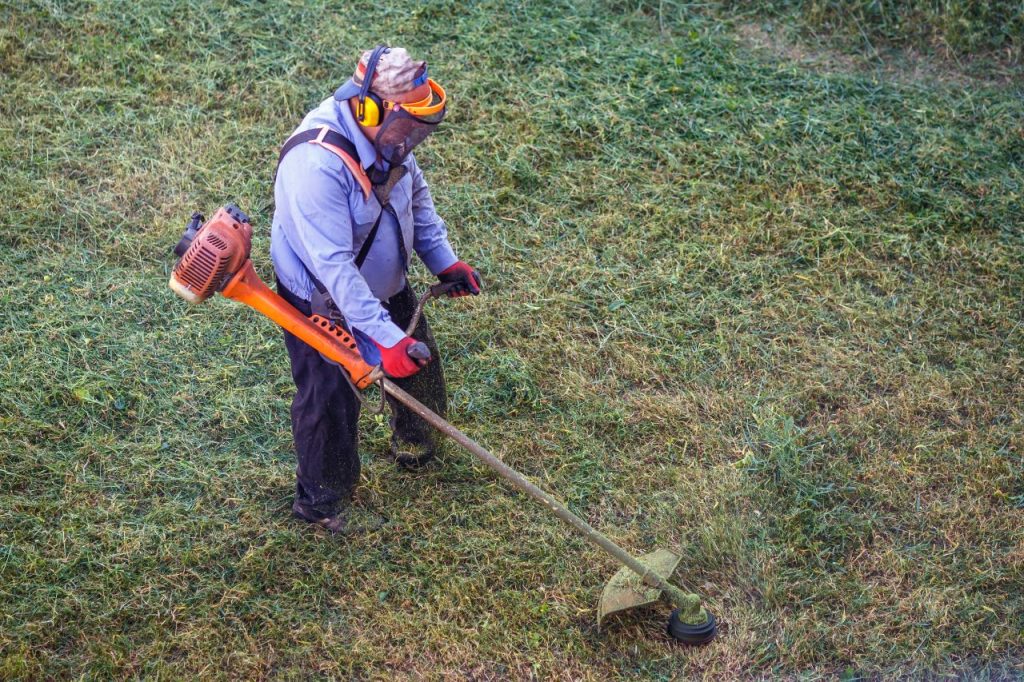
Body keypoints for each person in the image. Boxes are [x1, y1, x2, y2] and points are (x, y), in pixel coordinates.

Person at [271, 45, 482, 534]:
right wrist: (382, 338)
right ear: (369, 107)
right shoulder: (315, 166)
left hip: (384, 286)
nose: (412, 140)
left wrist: (442, 260)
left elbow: (417, 200)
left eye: (419, 128)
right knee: (330, 401)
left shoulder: (391, 143)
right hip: (322, 303)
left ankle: (417, 448)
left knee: (419, 363)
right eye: (407, 126)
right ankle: (320, 502)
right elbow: (335, 269)